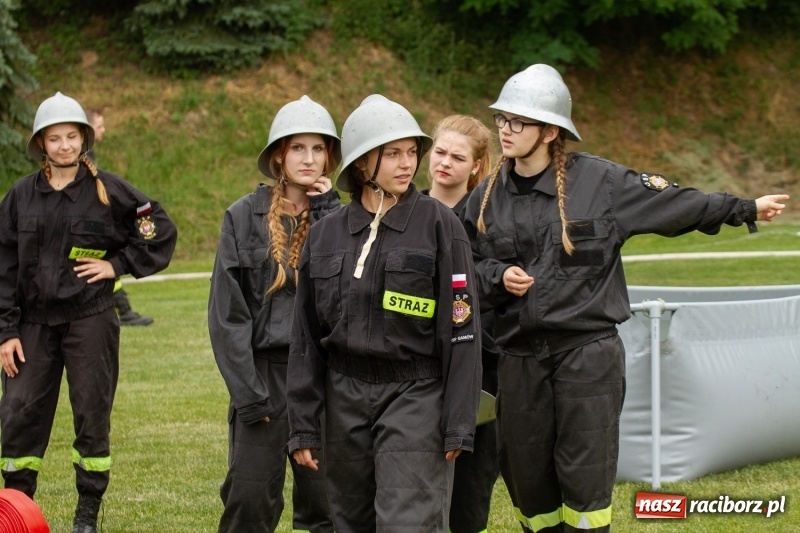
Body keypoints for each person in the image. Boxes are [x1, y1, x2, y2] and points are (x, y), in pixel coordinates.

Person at [460, 64, 790, 533]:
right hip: (519, 360)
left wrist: (744, 208)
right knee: (528, 483)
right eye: (502, 120)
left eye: (518, 122)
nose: (505, 130)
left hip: (586, 357)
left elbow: (677, 205)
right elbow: (461, 264)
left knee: (584, 481)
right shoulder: (486, 198)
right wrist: (495, 276)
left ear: (550, 131)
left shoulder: (601, 184)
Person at [287, 95, 483, 532]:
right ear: (362, 164)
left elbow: (463, 327)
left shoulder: (439, 225)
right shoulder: (325, 236)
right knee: (349, 523)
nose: (407, 163)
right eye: (392, 153)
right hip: (344, 399)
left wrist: (458, 420)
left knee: (407, 523)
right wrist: (302, 424)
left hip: (415, 395)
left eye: (412, 152)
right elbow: (304, 337)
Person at [0, 92, 177, 533]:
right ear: (41, 144)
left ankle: (87, 515)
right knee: (19, 412)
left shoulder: (110, 191)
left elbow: (158, 230)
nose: (63, 146)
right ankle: (16, 511)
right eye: (54, 138)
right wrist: (6, 331)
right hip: (32, 326)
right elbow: (2, 267)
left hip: (90, 320)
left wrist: (117, 265)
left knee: (91, 413)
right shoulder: (20, 196)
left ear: (84, 139)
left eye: (71, 137)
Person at [208, 95, 339, 533]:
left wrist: (327, 213)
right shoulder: (242, 216)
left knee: (328, 505)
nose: (308, 158)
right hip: (262, 377)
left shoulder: (340, 217)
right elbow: (227, 316)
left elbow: (345, 300)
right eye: (298, 148)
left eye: (318, 148)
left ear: (330, 155)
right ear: (278, 155)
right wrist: (248, 395)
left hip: (322, 380)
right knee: (249, 501)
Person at [425, 115, 502, 533]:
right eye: (439, 152)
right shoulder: (406, 211)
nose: (445, 163)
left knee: (468, 505)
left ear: (476, 165)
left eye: (458, 157)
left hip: (480, 374)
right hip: (415, 373)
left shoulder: (491, 222)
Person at [85, 108, 154, 326]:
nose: (103, 130)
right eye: (99, 126)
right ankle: (123, 310)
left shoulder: (89, 154)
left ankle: (123, 309)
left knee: (107, 265)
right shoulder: (82, 155)